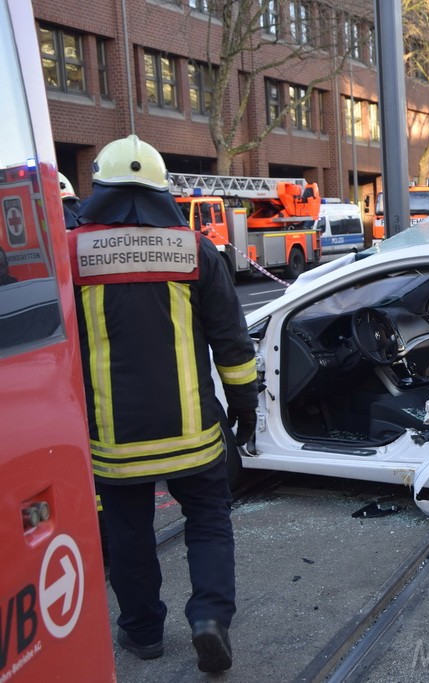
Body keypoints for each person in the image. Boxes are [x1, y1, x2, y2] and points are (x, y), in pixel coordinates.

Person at [71, 135, 257, 674]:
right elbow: (231, 342)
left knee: (127, 532)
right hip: (193, 433)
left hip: (112, 438)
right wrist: (244, 408)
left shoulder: (71, 253)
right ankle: (209, 619)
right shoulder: (193, 249)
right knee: (208, 518)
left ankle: (144, 632)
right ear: (162, 191)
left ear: (99, 189)